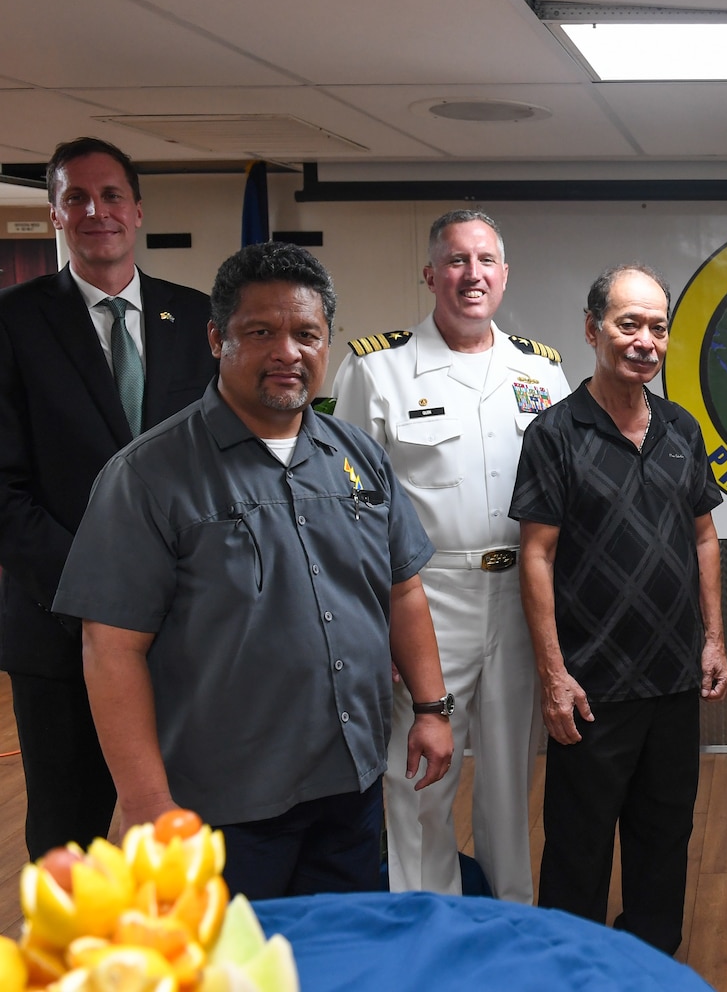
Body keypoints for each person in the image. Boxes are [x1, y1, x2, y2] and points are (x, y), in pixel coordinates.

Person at [53, 241, 454, 898]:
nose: (287, 353)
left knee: (339, 964)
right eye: (260, 332)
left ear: (328, 342)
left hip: (348, 787)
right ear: (217, 338)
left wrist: (433, 709)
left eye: (307, 333)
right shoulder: (148, 476)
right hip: (222, 807)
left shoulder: (357, 456)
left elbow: (404, 589)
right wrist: (149, 805)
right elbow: (111, 648)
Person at [332, 209, 569, 903]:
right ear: (431, 274)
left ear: (504, 274)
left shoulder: (541, 370)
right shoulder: (378, 370)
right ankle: (425, 929)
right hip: (425, 599)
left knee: (508, 779)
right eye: (458, 262)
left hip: (520, 596)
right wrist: (372, 629)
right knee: (418, 780)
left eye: (486, 261)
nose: (473, 275)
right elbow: (350, 514)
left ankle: (508, 923)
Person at [0, 137, 216, 858]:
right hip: (59, 627)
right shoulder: (12, 322)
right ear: (56, 214)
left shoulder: (198, 319)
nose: (96, 211)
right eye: (76, 198)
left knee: (184, 824)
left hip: (189, 625)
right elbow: (5, 490)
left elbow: (222, 465)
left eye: (111, 195)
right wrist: (99, 593)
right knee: (73, 830)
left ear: (138, 210)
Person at [510, 263, 727, 954]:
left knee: (665, 835)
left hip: (672, 676)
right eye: (627, 324)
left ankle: (649, 960)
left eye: (657, 327)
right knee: (577, 846)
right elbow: (536, 556)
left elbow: (703, 535)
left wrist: (714, 640)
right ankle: (571, 969)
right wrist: (553, 675)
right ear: (591, 329)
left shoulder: (680, 428)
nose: (645, 341)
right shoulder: (555, 433)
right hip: (592, 684)